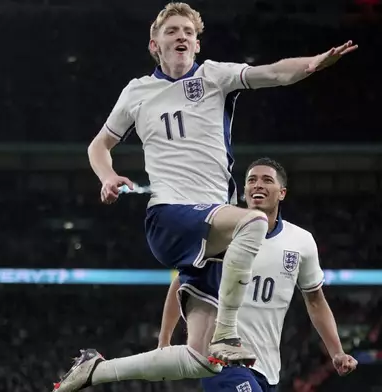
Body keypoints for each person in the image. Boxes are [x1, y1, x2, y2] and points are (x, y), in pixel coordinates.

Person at [52, 2, 357, 391]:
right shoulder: (137, 92)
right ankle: (228, 333)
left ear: (197, 44)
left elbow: (274, 72)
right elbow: (99, 146)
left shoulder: (215, 76)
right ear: (154, 44)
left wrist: (314, 63)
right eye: (172, 31)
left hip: (212, 229)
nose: (181, 36)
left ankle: (95, 371)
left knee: (202, 359)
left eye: (188, 33)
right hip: (170, 215)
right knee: (254, 221)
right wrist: (107, 176)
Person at [158, 158, 358, 392]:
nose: (258, 185)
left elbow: (315, 301)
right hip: (220, 359)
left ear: (282, 193)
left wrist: (337, 352)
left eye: (267, 180)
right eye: (251, 180)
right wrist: (164, 342)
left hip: (267, 367)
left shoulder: (301, 241)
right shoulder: (220, 233)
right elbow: (182, 283)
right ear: (244, 191)